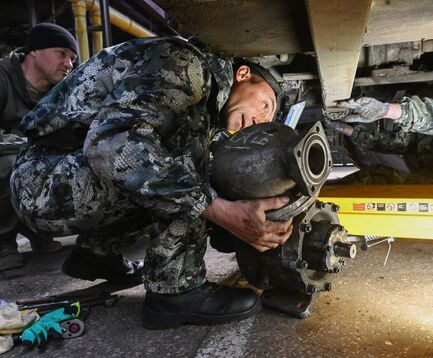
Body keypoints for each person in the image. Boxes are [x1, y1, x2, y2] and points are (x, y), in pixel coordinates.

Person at [9, 36, 293, 329]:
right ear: (243, 75)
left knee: (180, 168)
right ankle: (175, 291)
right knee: (184, 162)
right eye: (265, 104)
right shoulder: (188, 65)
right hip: (42, 182)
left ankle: (96, 255)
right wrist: (218, 210)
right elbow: (112, 144)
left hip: (56, 175)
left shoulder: (209, 102)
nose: (262, 119)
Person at [0, 23, 78, 271]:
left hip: (33, 154)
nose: (69, 63)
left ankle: (37, 229)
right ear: (34, 51)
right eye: (62, 53)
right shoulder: (2, 78)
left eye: (72, 59)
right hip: (6, 157)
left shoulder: (64, 89)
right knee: (10, 165)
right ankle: (3, 241)